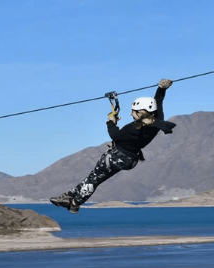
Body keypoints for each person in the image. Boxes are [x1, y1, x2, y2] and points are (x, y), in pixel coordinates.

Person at [50, 79, 176, 214]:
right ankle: (70, 196)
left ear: (140, 113)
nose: (130, 114)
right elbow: (158, 102)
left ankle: (74, 203)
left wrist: (110, 121)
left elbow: (115, 135)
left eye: (133, 112)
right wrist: (161, 89)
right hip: (129, 159)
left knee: (93, 179)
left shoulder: (134, 128)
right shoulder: (157, 122)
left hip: (117, 156)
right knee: (94, 178)